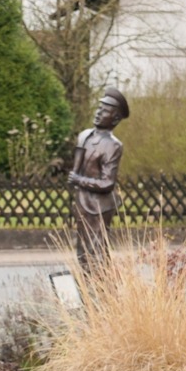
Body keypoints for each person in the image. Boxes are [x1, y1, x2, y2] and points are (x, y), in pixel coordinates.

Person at [67, 87, 129, 267]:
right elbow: (77, 165)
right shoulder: (84, 135)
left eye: (104, 111)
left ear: (115, 119)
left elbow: (107, 182)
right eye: (98, 108)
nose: (98, 113)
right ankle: (85, 290)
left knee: (97, 254)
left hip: (99, 207)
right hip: (82, 203)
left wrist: (79, 180)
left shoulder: (113, 145)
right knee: (82, 253)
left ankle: (103, 290)